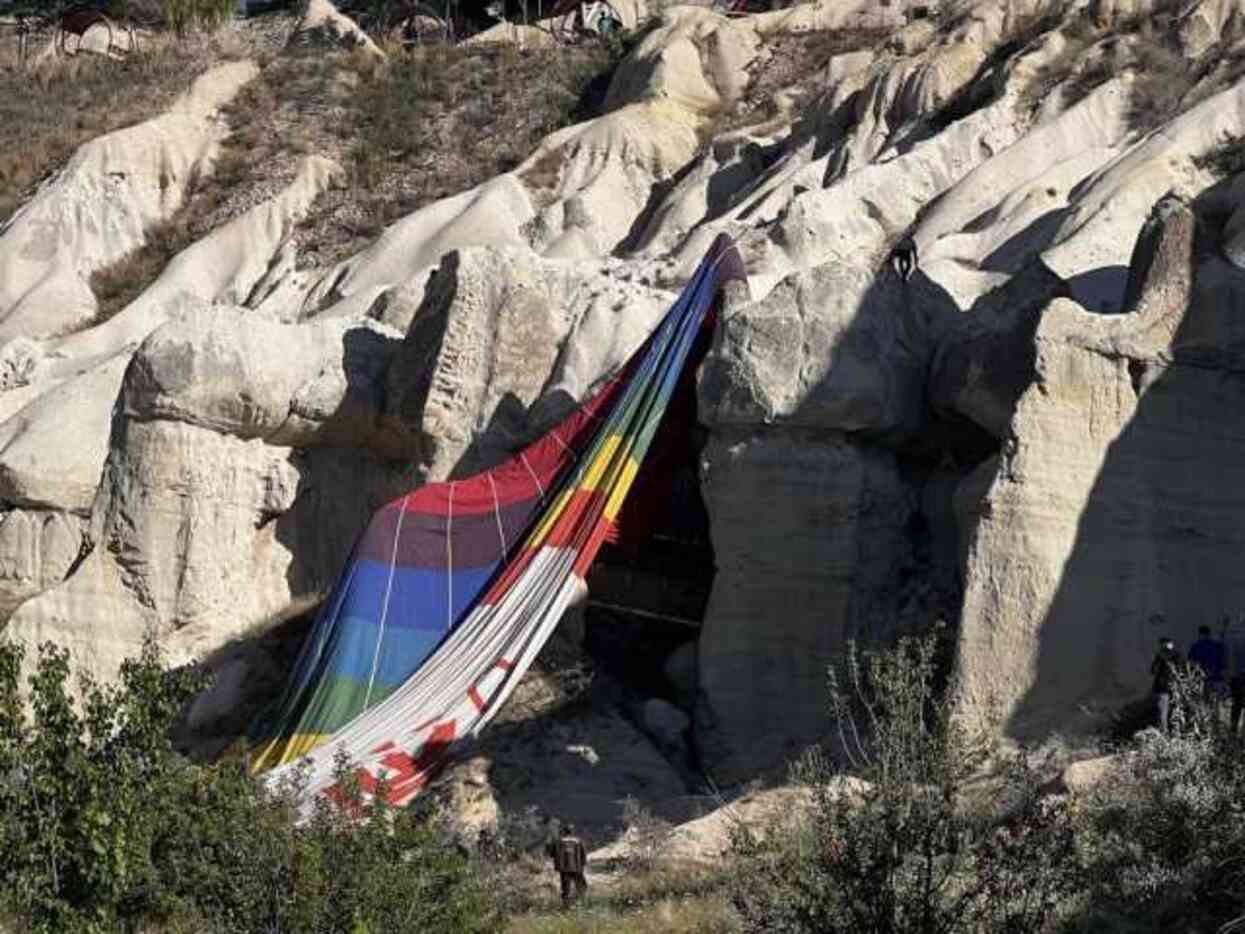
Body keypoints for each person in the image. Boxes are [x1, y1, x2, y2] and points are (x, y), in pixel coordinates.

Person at [547, 823, 587, 907]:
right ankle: (579, 903)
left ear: (564, 831)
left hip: (564, 869)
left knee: (565, 888)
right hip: (577, 868)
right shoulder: (579, 841)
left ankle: (566, 906)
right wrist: (583, 865)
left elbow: (551, 854)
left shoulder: (558, 842)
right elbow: (583, 855)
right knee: (581, 886)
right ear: (573, 832)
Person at [1188, 624, 1227, 699]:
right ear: (1209, 633)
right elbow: (1223, 663)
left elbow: (1191, 662)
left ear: (1200, 634)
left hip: (1203, 680)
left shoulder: (1196, 646)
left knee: (1204, 702)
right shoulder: (1216, 645)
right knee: (1217, 701)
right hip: (1217, 679)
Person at [1151, 636, 1180, 733]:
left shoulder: (1160, 656)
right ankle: (1169, 733)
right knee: (1169, 712)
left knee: (1162, 713)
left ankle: (1164, 733)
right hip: (1171, 688)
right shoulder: (1176, 655)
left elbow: (1153, 670)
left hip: (1162, 687)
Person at [1228, 625, 1245, 735]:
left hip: (1236, 677)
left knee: (1236, 706)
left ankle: (1233, 731)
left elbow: (1230, 659)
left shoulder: (1235, 640)